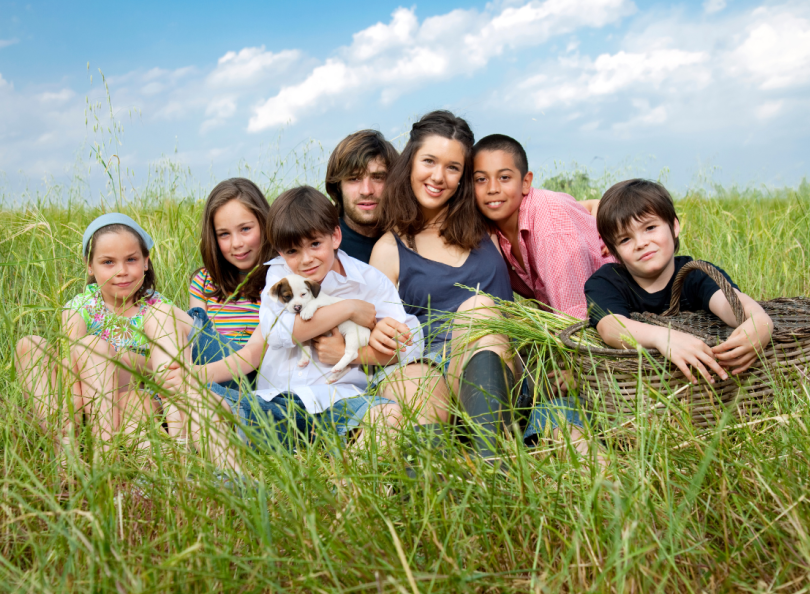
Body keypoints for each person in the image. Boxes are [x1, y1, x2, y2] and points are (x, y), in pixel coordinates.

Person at [167, 186, 450, 455]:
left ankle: (348, 481)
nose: (306, 260)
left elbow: (410, 346)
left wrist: (364, 349)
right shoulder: (279, 275)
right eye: (292, 251)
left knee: (389, 415)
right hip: (279, 400)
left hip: (342, 399)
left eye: (315, 244)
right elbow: (279, 330)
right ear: (279, 252)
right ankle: (216, 452)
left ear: (335, 237)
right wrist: (349, 308)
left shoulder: (368, 281)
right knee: (213, 404)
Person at [369, 110, 519, 462]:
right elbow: (380, 339)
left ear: (464, 177)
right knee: (421, 378)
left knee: (477, 308)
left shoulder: (487, 226)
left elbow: (542, 207)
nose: (438, 176)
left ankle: (491, 463)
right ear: (410, 163)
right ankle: (431, 480)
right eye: (429, 161)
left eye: (453, 167)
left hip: (496, 363)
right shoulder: (390, 250)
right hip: (423, 372)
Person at [13, 214, 220, 465]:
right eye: (108, 262)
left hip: (131, 405)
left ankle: (105, 448)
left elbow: (190, 353)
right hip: (77, 404)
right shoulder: (81, 307)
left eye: (131, 260)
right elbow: (70, 367)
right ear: (90, 266)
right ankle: (65, 441)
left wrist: (124, 359)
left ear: (146, 262)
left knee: (99, 352)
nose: (122, 271)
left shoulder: (156, 308)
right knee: (30, 344)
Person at [586, 179, 774, 384]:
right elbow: (611, 327)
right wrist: (664, 338)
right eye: (625, 239)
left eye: (650, 228)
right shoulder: (605, 282)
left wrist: (759, 320)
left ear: (674, 226)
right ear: (614, 252)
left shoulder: (695, 274)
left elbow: (732, 304)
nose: (641, 243)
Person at [472, 134, 613, 319]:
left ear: (525, 182)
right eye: (481, 179)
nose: (492, 188)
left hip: (621, 306)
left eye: (504, 177)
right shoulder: (491, 228)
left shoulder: (550, 225)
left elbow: (576, 319)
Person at [188, 178, 274, 387]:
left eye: (245, 229)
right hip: (211, 374)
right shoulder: (204, 281)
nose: (237, 243)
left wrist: (190, 376)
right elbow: (197, 343)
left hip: (258, 376)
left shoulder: (278, 280)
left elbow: (257, 354)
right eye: (224, 234)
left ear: (264, 223)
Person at [325, 130, 398, 263]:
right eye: (354, 179)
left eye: (378, 178)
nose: (366, 190)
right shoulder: (321, 248)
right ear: (337, 187)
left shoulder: (409, 243)